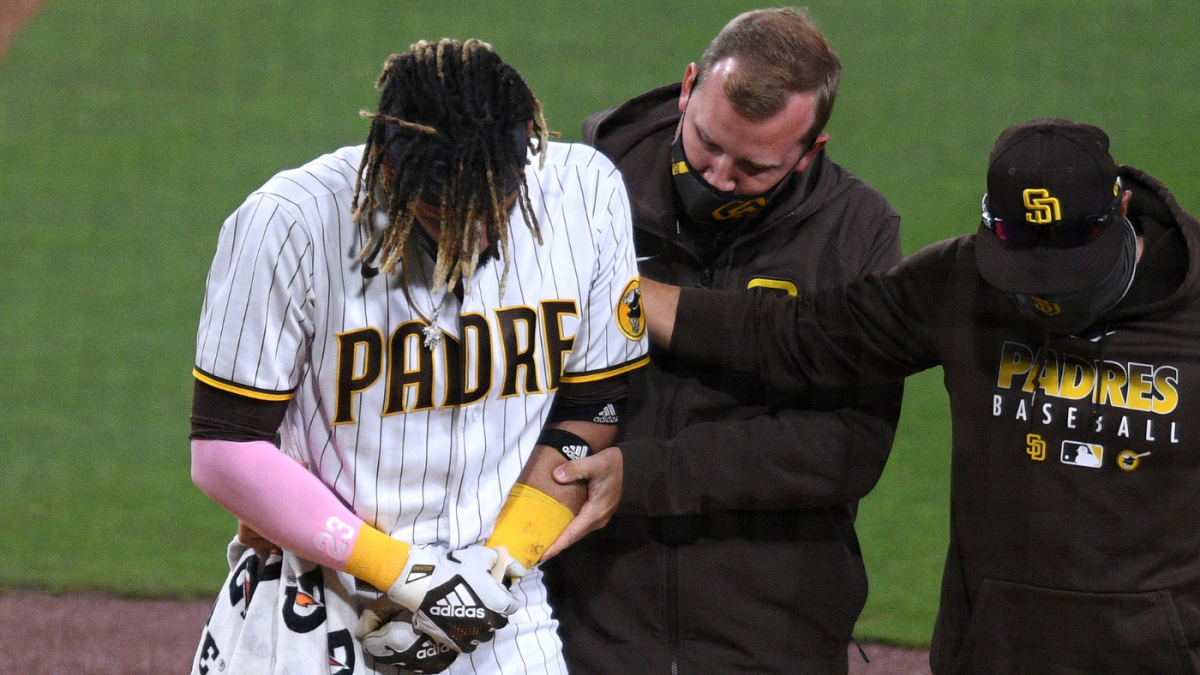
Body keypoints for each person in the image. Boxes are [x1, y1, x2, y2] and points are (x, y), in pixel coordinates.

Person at [641, 117, 1200, 672]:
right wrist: (623, 296)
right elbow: (802, 335)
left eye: (1072, 263)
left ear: (1120, 211)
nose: (1046, 295)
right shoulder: (963, 282)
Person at [188, 38, 647, 675]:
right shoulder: (289, 222)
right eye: (445, 211)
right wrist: (402, 574)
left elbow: (591, 406)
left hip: (499, 609)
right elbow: (224, 448)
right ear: (389, 171)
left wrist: (497, 568)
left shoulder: (586, 195)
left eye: (497, 205)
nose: (476, 230)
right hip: (318, 600)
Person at [541, 8, 904, 674]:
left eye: (754, 166)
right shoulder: (586, 187)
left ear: (810, 151)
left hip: (771, 629)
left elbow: (849, 446)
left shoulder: (856, 231)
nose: (717, 176)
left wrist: (647, 474)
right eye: (707, 141)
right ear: (687, 88)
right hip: (591, 616)